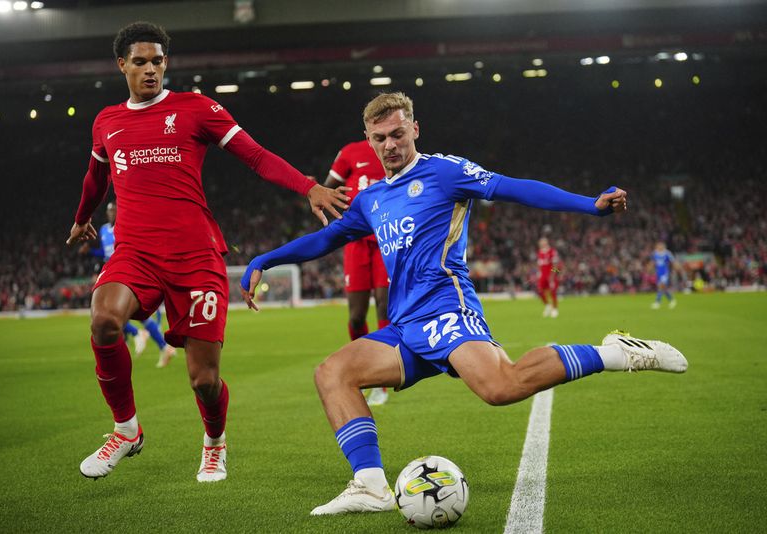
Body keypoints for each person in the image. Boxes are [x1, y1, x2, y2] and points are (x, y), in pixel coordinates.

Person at [240, 92, 688, 515]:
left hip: (447, 310)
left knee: (501, 387)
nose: (390, 145)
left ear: (415, 129)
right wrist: (265, 258)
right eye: (380, 138)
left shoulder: (445, 172)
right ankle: (371, 485)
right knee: (333, 373)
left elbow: (514, 187)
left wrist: (589, 205)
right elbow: (327, 238)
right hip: (405, 325)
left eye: (398, 134)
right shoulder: (371, 198)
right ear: (369, 141)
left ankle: (617, 352)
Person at [65, 22, 350, 483]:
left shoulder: (196, 109)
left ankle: (214, 443)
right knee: (103, 319)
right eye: (140, 61)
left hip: (196, 256)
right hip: (136, 252)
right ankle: (126, 430)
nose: (151, 69)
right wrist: (82, 217)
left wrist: (308, 186)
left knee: (204, 379)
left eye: (158, 60)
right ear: (122, 65)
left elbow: (255, 156)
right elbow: (95, 179)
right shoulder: (106, 121)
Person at [323, 140, 391, 406]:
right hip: (355, 240)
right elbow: (328, 186)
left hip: (386, 237)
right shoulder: (350, 152)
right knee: (356, 316)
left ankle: (382, 382)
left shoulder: (395, 150)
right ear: (367, 130)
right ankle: (363, 371)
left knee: (384, 308)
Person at [80, 201, 176, 367]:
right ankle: (161, 345)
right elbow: (105, 252)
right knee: (116, 314)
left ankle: (137, 334)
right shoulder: (103, 230)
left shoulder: (126, 226)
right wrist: (91, 253)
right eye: (109, 211)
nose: (111, 214)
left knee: (113, 314)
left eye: (114, 211)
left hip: (126, 272)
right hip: (111, 272)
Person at [536, 237, 562, 318]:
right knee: (540, 292)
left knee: (552, 292)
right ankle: (547, 306)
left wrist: (553, 275)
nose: (541, 244)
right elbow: (540, 265)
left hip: (550, 275)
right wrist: (538, 273)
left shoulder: (552, 251)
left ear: (546, 243)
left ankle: (555, 309)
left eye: (543, 242)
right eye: (540, 243)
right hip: (542, 276)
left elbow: (556, 265)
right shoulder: (539, 252)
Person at [651, 241, 678, 309]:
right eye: (658, 246)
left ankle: (657, 302)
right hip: (658, 273)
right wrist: (651, 269)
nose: (659, 247)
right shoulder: (655, 253)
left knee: (661, 286)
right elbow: (653, 262)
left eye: (660, 245)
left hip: (665, 273)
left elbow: (673, 261)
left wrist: (676, 268)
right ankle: (672, 300)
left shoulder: (667, 253)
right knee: (664, 289)